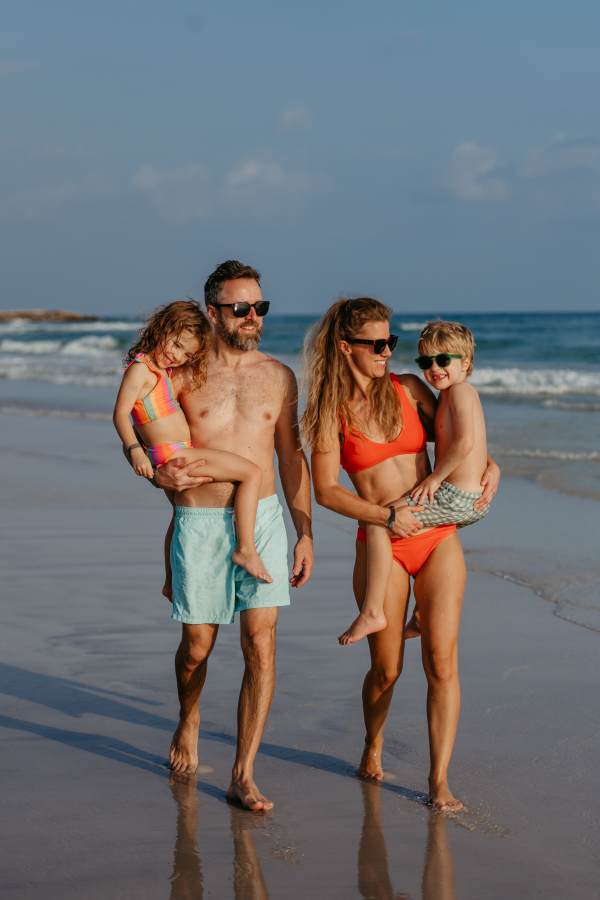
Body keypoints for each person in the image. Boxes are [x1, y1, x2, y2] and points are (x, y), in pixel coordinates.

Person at [304, 297, 499, 810]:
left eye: (392, 342)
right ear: (346, 347)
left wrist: (492, 465)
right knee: (387, 668)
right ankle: (373, 743)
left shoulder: (409, 389)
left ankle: (438, 780)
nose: (388, 351)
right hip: (382, 541)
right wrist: (386, 516)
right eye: (377, 343)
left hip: (436, 538)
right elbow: (326, 490)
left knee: (441, 662)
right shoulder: (329, 413)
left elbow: (458, 436)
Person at [146, 261, 313, 812]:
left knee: (259, 644)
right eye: (240, 308)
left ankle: (244, 773)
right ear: (213, 312)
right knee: (197, 649)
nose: (252, 318)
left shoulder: (280, 377)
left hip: (261, 519)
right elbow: (145, 432)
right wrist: (149, 469)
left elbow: (290, 457)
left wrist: (303, 530)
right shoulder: (180, 374)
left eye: (260, 307)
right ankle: (188, 719)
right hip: (198, 521)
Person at [338, 319, 490, 645]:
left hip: (457, 496)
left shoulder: (461, 392)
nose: (433, 368)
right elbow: (459, 441)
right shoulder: (448, 395)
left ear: (465, 362)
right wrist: (491, 465)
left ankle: (373, 611)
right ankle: (421, 615)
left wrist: (434, 479)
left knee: (380, 519)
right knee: (383, 516)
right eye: (425, 362)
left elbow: (464, 444)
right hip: (464, 496)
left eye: (443, 360)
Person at [114, 299, 273, 589]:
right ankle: (246, 549)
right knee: (252, 473)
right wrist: (134, 451)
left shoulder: (161, 371)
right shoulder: (141, 370)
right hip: (175, 453)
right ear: (161, 328)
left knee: (179, 515)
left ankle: (170, 579)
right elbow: (120, 414)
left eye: (186, 354)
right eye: (175, 345)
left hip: (172, 452)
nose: (177, 357)